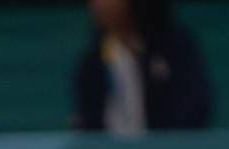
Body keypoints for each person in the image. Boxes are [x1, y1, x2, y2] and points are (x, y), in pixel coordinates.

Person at [74, 0, 212, 135]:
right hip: (108, 148)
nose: (100, 4)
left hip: (166, 146)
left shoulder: (173, 45)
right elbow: (89, 117)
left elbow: (195, 105)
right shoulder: (92, 59)